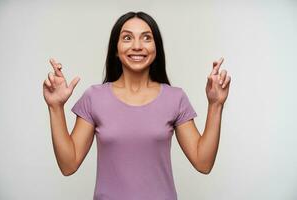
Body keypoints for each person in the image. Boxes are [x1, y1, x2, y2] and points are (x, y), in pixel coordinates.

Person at [43, 11, 231, 200]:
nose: (137, 46)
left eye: (146, 38)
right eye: (127, 38)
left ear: (156, 48)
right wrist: (55, 107)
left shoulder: (175, 98)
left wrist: (215, 104)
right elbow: (68, 165)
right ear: (116, 49)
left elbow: (203, 162)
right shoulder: (94, 97)